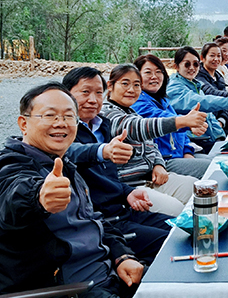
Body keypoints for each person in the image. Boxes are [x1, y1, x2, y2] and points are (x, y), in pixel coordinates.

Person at [0, 82, 144, 298]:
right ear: (23, 123)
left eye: (68, 116)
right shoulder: (4, 167)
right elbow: (12, 201)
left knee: (173, 292)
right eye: (50, 115)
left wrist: (122, 255)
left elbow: (94, 219)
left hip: (100, 280)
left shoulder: (62, 163)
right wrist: (39, 198)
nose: (61, 123)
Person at [63, 66, 173, 264]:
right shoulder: (64, 131)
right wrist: (103, 150)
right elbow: (69, 152)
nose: (93, 100)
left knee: (183, 228)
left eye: (98, 93)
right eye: (85, 92)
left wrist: (127, 192)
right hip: (103, 223)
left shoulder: (101, 124)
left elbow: (109, 178)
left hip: (124, 208)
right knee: (172, 243)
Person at [102, 64, 205, 216]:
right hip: (131, 186)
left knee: (198, 189)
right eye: (125, 83)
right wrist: (181, 122)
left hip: (152, 177)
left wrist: (158, 164)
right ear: (110, 86)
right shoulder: (107, 113)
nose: (131, 90)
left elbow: (151, 143)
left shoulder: (132, 112)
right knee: (176, 209)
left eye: (136, 85)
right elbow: (137, 128)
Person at [131, 54, 213, 178]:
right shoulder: (137, 102)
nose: (154, 76)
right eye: (148, 72)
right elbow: (161, 120)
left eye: (158, 72)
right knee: (212, 168)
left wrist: (187, 152)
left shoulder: (163, 100)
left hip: (179, 154)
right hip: (161, 161)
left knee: (218, 161)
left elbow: (181, 134)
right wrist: (187, 122)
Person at [167, 46, 228, 153]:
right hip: (194, 141)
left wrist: (220, 137)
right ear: (176, 66)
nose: (192, 68)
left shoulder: (195, 84)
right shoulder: (174, 87)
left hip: (210, 138)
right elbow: (198, 101)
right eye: (187, 64)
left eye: (195, 64)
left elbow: (210, 116)